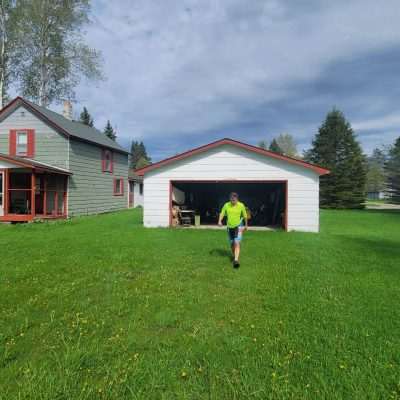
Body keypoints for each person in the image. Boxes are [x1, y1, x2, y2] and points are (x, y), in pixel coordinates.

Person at [218, 192, 248, 268]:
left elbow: (245, 215)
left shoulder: (241, 205)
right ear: (230, 199)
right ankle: (235, 256)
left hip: (238, 226)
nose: (233, 202)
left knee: (236, 242)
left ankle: (236, 260)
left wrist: (246, 225)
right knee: (232, 244)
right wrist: (219, 221)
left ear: (237, 199)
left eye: (234, 200)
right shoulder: (226, 205)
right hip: (229, 227)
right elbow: (222, 213)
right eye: (232, 200)